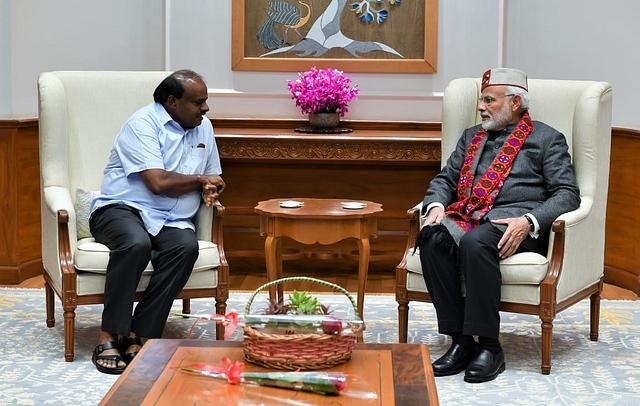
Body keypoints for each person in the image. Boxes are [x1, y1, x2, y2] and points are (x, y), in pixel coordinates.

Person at [416, 68, 580, 383]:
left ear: (515, 101)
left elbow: (567, 194)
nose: (481, 107)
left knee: (476, 242)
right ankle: (461, 341)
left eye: (489, 100)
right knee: (433, 237)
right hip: (468, 215)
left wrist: (529, 221)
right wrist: (436, 205)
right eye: (481, 100)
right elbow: (446, 179)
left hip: (516, 222)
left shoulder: (547, 139)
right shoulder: (470, 137)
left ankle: (490, 347)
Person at [88, 70, 225, 374]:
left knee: (186, 248)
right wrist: (201, 180)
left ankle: (141, 332)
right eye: (198, 102)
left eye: (205, 102)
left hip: (172, 219)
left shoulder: (204, 128)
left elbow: (213, 176)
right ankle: (109, 333)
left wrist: (212, 186)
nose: (205, 108)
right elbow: (157, 182)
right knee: (136, 243)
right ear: (173, 102)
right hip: (121, 208)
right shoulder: (142, 124)